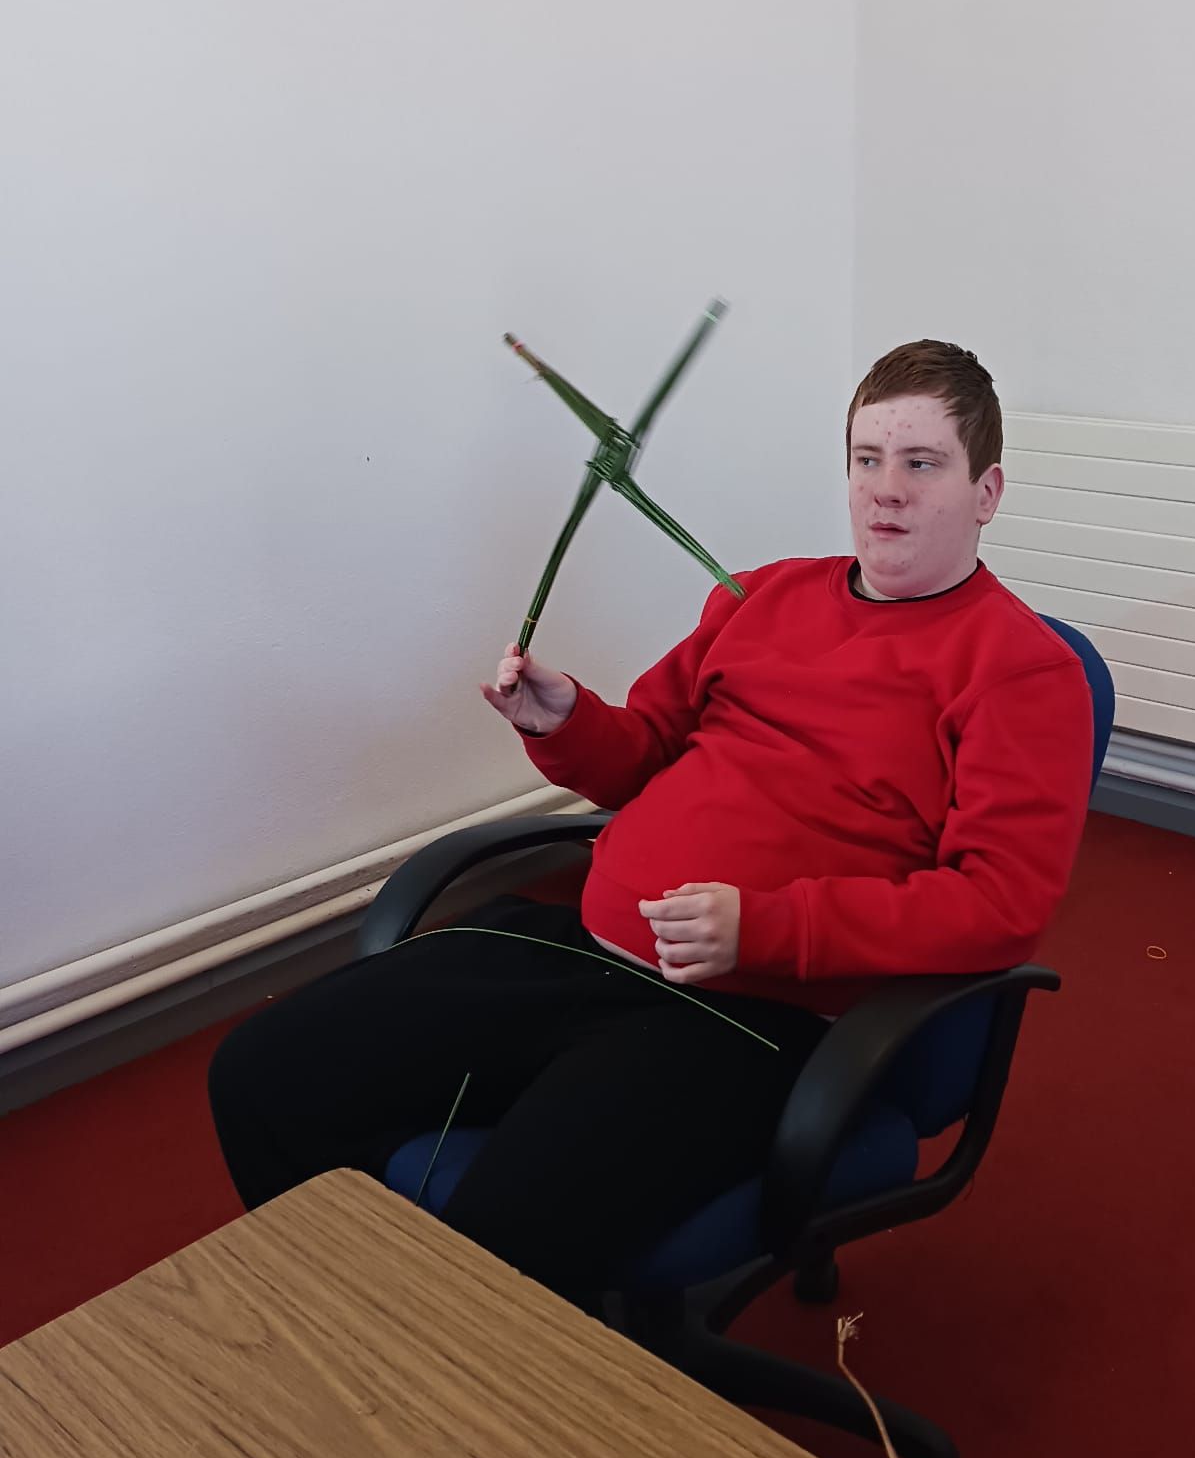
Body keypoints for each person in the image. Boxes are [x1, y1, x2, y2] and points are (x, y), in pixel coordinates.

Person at [209, 340, 1094, 1304]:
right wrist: (566, 723)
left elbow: (998, 904)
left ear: (986, 492)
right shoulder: (762, 595)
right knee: (262, 1073)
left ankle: (449, 1373)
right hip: (580, 955)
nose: (886, 490)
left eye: (922, 463)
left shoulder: (1022, 671)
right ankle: (337, 1332)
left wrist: (768, 927)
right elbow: (642, 755)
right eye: (867, 458)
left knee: (506, 1243)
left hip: (749, 1019)